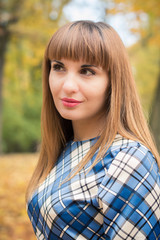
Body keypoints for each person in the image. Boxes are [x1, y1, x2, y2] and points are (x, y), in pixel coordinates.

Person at [26, 20, 160, 240]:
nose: (67, 85)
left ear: (113, 82)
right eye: (58, 67)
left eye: (87, 71)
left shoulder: (127, 159)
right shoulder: (64, 150)